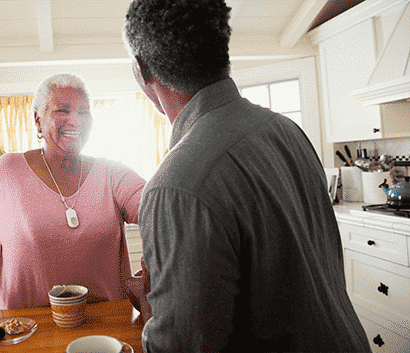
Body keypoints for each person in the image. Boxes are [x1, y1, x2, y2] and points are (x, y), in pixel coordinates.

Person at [122, 1, 371, 352]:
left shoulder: (175, 187)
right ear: (220, 48)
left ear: (142, 69)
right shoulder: (287, 130)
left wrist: (152, 308)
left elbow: (182, 346)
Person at [0, 73, 146, 328]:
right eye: (63, 110)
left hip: (104, 327)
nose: (75, 120)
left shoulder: (112, 173)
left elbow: (162, 211)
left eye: (84, 111)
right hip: (22, 330)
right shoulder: (6, 171)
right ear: (38, 122)